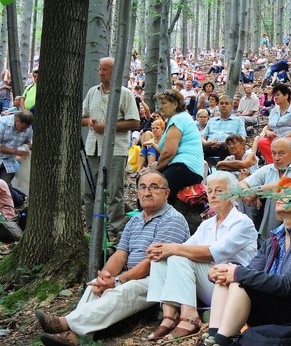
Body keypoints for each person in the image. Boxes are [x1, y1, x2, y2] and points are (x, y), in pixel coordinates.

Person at [36, 171, 190, 346]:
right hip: (134, 274)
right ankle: (71, 337)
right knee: (96, 285)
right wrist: (106, 276)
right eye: (143, 187)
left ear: (166, 193)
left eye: (154, 187)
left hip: (160, 278)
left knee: (125, 289)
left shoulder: (172, 219)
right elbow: (120, 254)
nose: (147, 192)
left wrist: (117, 281)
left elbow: (153, 262)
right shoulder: (134, 221)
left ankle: (63, 324)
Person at [204, 177, 291, 346]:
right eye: (279, 192)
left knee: (239, 279)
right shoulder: (274, 238)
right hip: (277, 308)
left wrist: (236, 273)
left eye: (287, 194)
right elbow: (252, 270)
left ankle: (222, 341)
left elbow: (288, 285)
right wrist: (221, 272)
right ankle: (213, 337)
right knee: (233, 276)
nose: (279, 197)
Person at [146, 171, 257, 341]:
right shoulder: (207, 224)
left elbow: (212, 253)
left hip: (231, 289)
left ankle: (190, 317)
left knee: (177, 255)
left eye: (218, 191)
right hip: (209, 282)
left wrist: (172, 248)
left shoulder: (242, 222)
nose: (212, 195)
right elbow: (185, 247)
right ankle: (170, 315)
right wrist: (161, 249)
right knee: (162, 258)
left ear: (233, 194)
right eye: (210, 190)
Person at [81, 57, 140, 236]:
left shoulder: (125, 94)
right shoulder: (92, 92)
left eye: (105, 69)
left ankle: (114, 228)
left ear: (115, 72)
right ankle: (93, 228)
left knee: (115, 191)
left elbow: (135, 122)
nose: (101, 73)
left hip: (116, 149)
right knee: (89, 190)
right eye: (100, 69)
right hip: (93, 147)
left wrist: (107, 126)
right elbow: (82, 117)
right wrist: (89, 121)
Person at [240, 138, 291, 240]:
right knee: (242, 197)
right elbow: (242, 183)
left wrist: (257, 191)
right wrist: (248, 193)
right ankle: (247, 236)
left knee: (276, 196)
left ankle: (266, 240)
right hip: (264, 211)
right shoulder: (268, 169)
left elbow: (284, 185)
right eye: (273, 153)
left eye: (281, 154)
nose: (276, 158)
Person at [154, 89, 204, 202]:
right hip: (190, 168)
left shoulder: (178, 119)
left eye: (164, 103)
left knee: (153, 194)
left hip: (184, 167)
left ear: (175, 104)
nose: (160, 107)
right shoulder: (182, 118)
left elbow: (168, 152)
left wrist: (155, 170)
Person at [257, 84, 291, 164]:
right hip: (277, 139)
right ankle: (273, 164)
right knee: (262, 142)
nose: (275, 97)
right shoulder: (273, 111)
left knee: (282, 144)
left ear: (286, 96)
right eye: (274, 95)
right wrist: (268, 133)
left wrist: (283, 138)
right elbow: (268, 128)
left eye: (278, 95)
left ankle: (283, 165)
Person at [0, 111, 33, 186]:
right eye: (22, 127)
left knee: (5, 186)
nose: (23, 130)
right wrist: (16, 152)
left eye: (26, 128)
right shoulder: (2, 123)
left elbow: (28, 141)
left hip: (10, 162)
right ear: (16, 120)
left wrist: (27, 147)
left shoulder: (28, 128)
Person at [202, 95, 246, 163]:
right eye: (221, 103)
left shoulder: (238, 120)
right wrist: (207, 143)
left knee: (224, 146)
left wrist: (223, 143)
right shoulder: (212, 120)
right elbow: (203, 137)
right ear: (218, 106)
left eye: (226, 103)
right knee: (198, 147)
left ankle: (223, 169)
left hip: (227, 146)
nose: (224, 105)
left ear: (232, 106)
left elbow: (243, 138)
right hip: (210, 146)